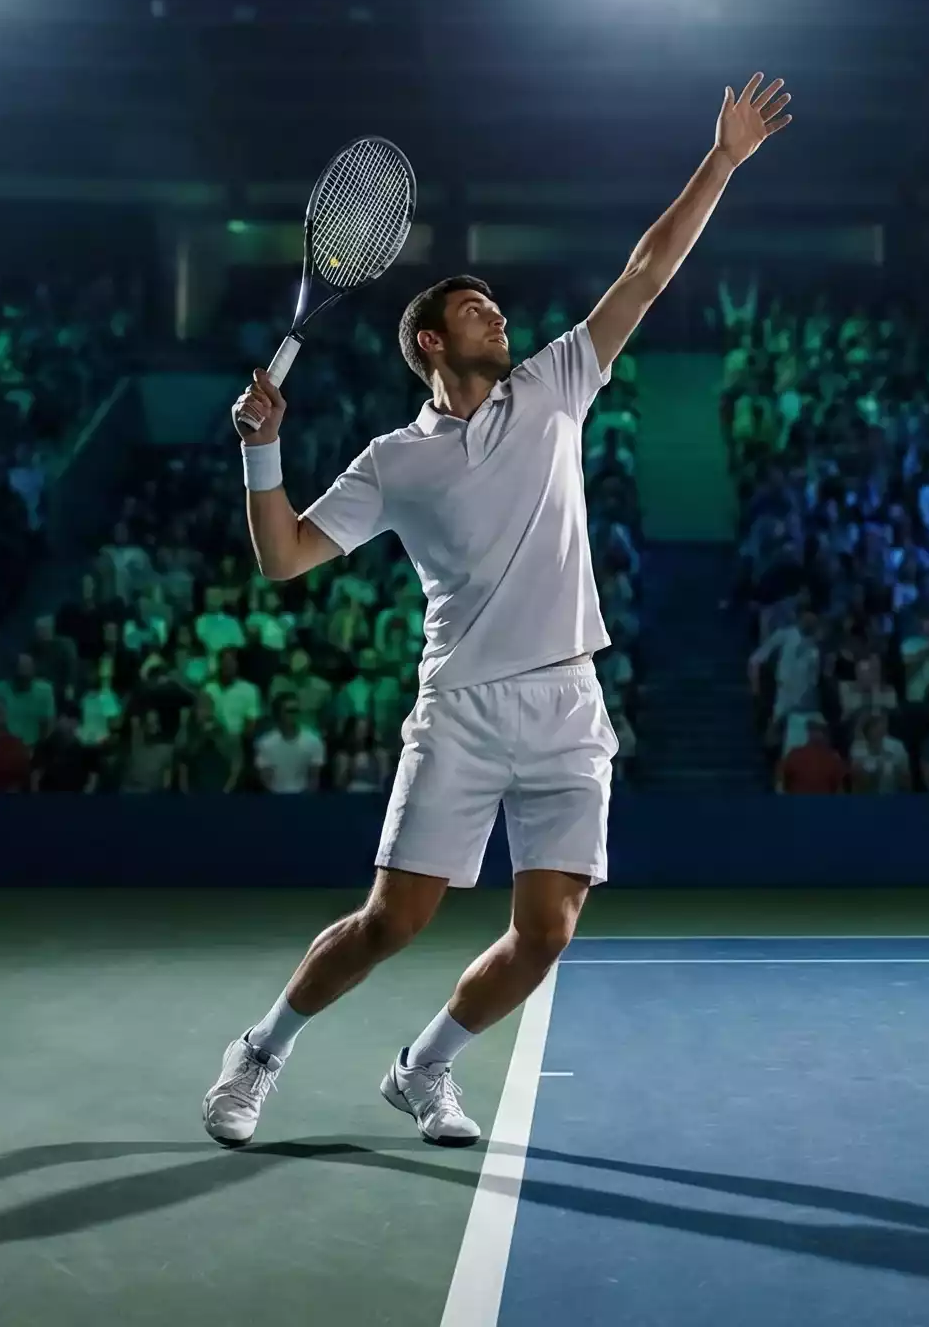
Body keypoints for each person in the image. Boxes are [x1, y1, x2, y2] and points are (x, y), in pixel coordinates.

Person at [203, 72, 792, 1149]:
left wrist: (721, 159)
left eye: (497, 308)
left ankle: (425, 1068)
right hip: (463, 710)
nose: (498, 317)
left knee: (548, 930)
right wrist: (261, 448)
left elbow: (648, 270)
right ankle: (259, 1054)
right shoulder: (392, 462)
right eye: (475, 311)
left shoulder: (556, 385)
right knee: (396, 919)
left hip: (567, 701)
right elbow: (283, 557)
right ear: (431, 342)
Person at [776, 715, 851, 794]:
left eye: (819, 730)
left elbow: (840, 789)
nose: (817, 733)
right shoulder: (794, 755)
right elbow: (781, 782)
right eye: (814, 729)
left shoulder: (833, 759)